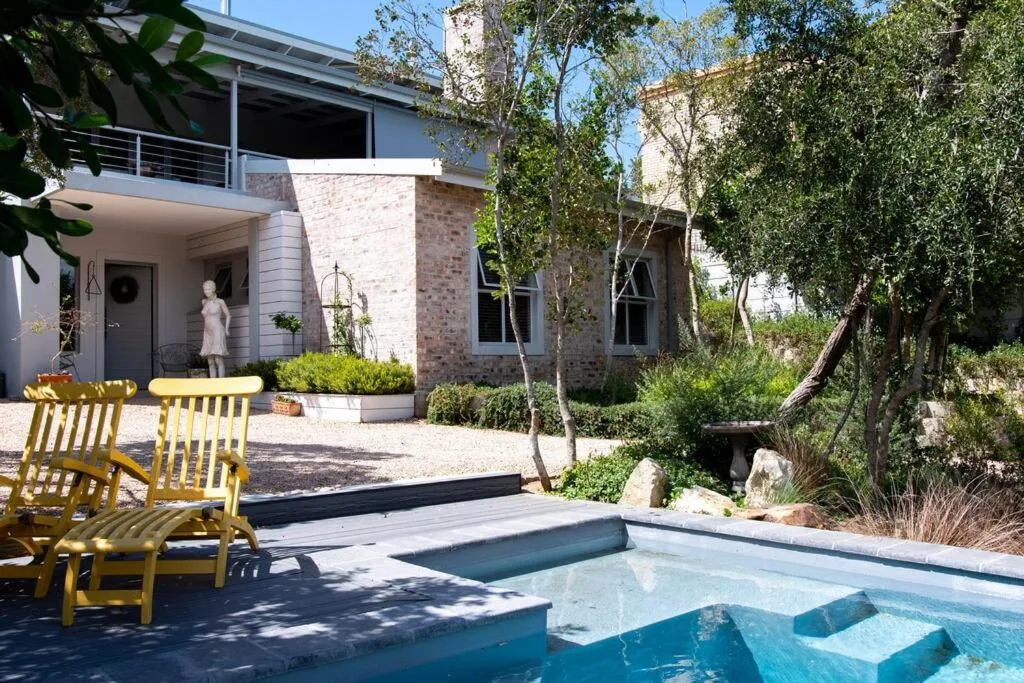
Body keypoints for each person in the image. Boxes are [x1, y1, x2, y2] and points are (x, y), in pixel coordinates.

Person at [199, 279, 230, 378]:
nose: (206, 291)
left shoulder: (220, 302)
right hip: (207, 332)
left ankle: (220, 385)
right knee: (210, 361)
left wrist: (226, 329)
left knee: (218, 359)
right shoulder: (204, 302)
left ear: (213, 289)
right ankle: (213, 386)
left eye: (208, 289)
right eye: (204, 289)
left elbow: (228, 315)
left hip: (217, 331)